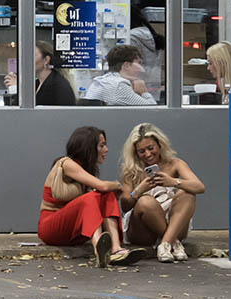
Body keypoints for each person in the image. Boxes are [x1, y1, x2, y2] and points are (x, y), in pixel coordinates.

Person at [37, 126, 130, 267]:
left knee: (106, 195)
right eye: (102, 145)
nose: (106, 150)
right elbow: (103, 186)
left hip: (73, 230)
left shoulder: (86, 169)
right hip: (51, 228)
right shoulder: (66, 163)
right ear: (89, 148)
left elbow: (101, 196)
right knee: (97, 194)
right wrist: (118, 185)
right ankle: (99, 250)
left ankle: (115, 249)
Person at [119, 122, 206, 263]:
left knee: (187, 193)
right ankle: (173, 242)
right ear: (135, 153)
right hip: (143, 229)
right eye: (142, 151)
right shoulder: (130, 170)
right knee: (146, 201)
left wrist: (173, 182)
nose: (148, 154)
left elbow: (200, 187)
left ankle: (165, 243)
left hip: (173, 220)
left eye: (150, 148)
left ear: (160, 145)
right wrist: (140, 190)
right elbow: (125, 205)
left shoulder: (175, 164)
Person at [83, 45, 156, 106]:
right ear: (126, 65)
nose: (140, 68)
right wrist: (143, 92)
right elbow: (153, 111)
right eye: (138, 63)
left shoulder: (101, 81)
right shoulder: (119, 85)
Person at [128, 3, 164, 97]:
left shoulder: (132, 38)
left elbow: (132, 66)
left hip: (136, 88)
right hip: (153, 87)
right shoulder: (153, 37)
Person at [31, 40, 76, 106]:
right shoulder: (36, 84)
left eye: (32, 56)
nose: (27, 60)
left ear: (46, 60)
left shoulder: (58, 86)